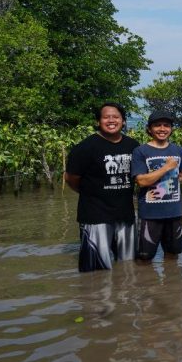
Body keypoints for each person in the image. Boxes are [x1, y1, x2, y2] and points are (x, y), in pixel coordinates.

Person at [64, 102, 140, 272]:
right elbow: (71, 178)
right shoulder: (85, 148)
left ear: (124, 121)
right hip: (95, 216)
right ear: (98, 121)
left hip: (125, 215)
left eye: (116, 117)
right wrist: (91, 193)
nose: (111, 120)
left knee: (129, 267)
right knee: (96, 272)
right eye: (106, 117)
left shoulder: (133, 146)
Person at [131, 111, 182, 261]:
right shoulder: (140, 151)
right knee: (144, 258)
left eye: (166, 125)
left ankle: (170, 284)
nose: (162, 129)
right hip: (150, 215)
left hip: (174, 213)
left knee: (172, 256)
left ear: (171, 129)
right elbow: (141, 181)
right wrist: (166, 168)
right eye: (157, 125)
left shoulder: (179, 151)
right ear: (149, 129)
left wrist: (164, 181)